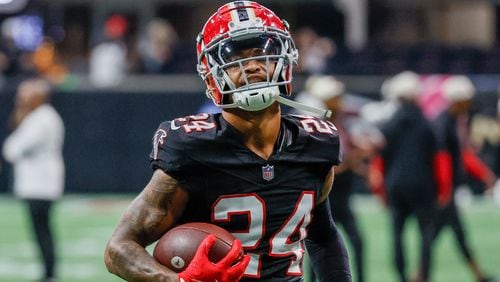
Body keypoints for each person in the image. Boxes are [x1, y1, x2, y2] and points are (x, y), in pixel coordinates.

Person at [104, 2, 351, 281]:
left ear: (285, 60)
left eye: (261, 53)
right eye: (236, 57)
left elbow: (323, 235)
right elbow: (119, 249)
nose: (253, 66)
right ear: (212, 74)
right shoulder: (192, 147)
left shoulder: (315, 143)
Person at [295, 75, 373, 282]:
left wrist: (360, 164)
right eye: (336, 97)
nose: (340, 100)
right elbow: (329, 167)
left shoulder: (338, 121)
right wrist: (354, 159)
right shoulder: (316, 125)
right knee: (320, 245)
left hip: (341, 195)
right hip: (326, 196)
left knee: (354, 242)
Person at [369, 71, 439, 282]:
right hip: (422, 184)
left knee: (397, 234)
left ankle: (401, 277)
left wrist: (381, 189)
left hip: (395, 184)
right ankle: (423, 277)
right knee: (426, 234)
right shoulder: (426, 122)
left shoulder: (389, 124)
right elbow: (434, 156)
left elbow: (380, 159)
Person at [430, 75, 497, 282]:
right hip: (443, 191)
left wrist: (483, 172)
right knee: (435, 236)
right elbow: (441, 158)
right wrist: (445, 189)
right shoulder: (443, 123)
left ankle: (478, 275)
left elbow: (462, 154)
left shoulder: (455, 121)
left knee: (446, 235)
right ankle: (419, 275)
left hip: (447, 191)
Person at [2, 78, 65, 282]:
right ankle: (48, 272)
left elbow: (13, 148)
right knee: (41, 230)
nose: (21, 99)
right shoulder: (40, 117)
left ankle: (49, 273)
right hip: (39, 183)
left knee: (42, 230)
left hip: (41, 185)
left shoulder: (42, 118)